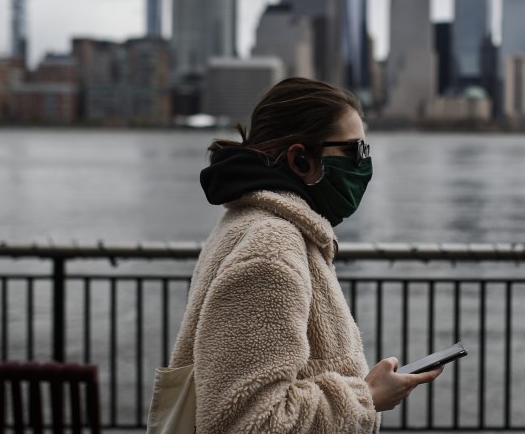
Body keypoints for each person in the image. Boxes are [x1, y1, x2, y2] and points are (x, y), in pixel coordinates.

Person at [168, 77, 442, 433]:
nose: (365, 165)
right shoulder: (271, 250)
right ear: (300, 159)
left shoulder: (254, 223)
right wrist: (367, 397)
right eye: (355, 151)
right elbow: (247, 421)